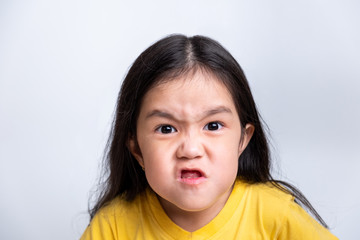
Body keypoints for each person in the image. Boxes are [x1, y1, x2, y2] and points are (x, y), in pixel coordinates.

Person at [80, 34, 338, 239]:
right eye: (166, 129)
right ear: (137, 150)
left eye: (213, 126)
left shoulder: (277, 216)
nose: (191, 149)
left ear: (243, 140)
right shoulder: (112, 227)